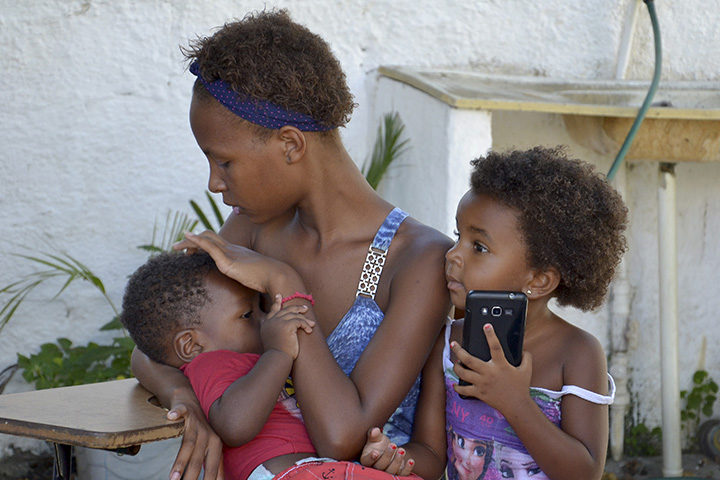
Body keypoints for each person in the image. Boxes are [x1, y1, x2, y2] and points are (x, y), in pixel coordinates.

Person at [130, 9, 452, 480]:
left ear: (290, 145)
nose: (214, 184)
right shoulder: (252, 230)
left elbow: (344, 437)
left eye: (223, 162)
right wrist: (186, 398)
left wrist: (285, 281)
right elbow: (154, 341)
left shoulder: (417, 260)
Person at [361, 146, 628, 480]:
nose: (453, 254)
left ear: (539, 279)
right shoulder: (447, 343)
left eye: (479, 247)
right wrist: (397, 459)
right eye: (459, 236)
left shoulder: (577, 354)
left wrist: (515, 402)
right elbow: (430, 453)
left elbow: (584, 472)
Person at [121, 250, 423, 480]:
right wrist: (278, 352)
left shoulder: (241, 358)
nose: (266, 321)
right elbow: (235, 425)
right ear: (191, 345)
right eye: (248, 315)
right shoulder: (212, 362)